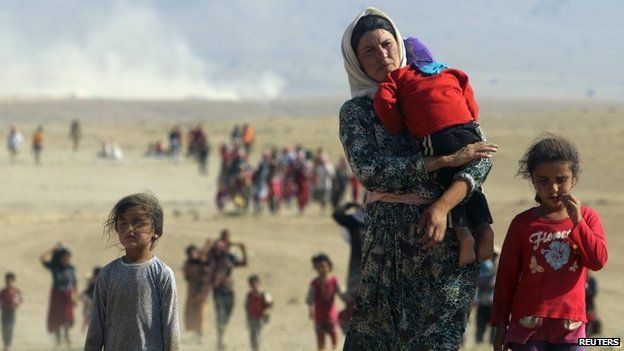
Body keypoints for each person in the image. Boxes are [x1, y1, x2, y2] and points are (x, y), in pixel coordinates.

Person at [339, 8, 498, 350]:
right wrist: (440, 161)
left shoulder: (435, 86)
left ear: (398, 44)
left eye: (386, 44)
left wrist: (442, 206)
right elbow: (370, 170)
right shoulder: (357, 112)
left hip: (448, 246)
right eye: (369, 50)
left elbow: (479, 156)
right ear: (356, 61)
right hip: (389, 252)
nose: (382, 55)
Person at [374, 36, 494, 266]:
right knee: (471, 184)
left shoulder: (399, 76)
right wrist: (469, 123)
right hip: (468, 130)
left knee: (446, 181)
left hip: (437, 135)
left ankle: (464, 235)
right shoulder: (451, 72)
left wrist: (397, 125)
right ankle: (484, 227)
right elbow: (470, 98)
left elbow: (384, 100)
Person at [491, 135, 608, 351]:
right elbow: (506, 277)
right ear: (533, 180)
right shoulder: (523, 223)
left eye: (561, 179)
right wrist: (500, 326)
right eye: (543, 180)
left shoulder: (588, 218)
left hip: (570, 327)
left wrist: (577, 222)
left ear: (573, 179)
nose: (553, 188)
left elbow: (597, 260)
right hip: (526, 327)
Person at [84, 193, 181, 351]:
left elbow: (171, 328)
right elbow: (96, 327)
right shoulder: (107, 274)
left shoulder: (162, 274)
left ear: (155, 230)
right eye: (123, 224)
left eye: (138, 222)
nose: (129, 229)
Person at [207, 229, 248, 350]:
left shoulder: (229, 257)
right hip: (218, 290)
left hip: (229, 289)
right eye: (224, 238)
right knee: (220, 315)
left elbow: (244, 263)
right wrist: (208, 244)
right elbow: (203, 257)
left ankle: (221, 337)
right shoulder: (215, 254)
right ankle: (220, 340)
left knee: (227, 314)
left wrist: (243, 249)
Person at [331, 202, 365, 333]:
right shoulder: (355, 221)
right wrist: (349, 205)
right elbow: (337, 214)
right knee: (353, 300)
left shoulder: (381, 218)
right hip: (357, 268)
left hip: (378, 267)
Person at [40, 244, 77, 349]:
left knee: (66, 318)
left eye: (67, 257)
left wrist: (74, 296)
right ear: (60, 258)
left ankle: (66, 337)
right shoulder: (55, 267)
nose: (66, 259)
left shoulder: (71, 269)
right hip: (56, 296)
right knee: (56, 318)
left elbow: (74, 283)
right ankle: (58, 341)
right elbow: (41, 258)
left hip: (67, 295)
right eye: (64, 257)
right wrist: (52, 249)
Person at [306, 254, 346, 351]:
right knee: (320, 342)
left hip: (331, 317)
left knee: (334, 339)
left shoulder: (334, 281)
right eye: (318, 267)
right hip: (319, 316)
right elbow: (310, 298)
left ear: (329, 266)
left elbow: (342, 294)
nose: (321, 269)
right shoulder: (314, 283)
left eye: (323, 266)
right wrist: (310, 309)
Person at [182, 244, 209, 344]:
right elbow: (187, 277)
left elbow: (206, 276)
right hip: (192, 291)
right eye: (190, 253)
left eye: (194, 252)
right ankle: (195, 334)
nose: (192, 255)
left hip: (201, 291)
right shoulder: (188, 264)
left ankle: (200, 335)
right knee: (192, 312)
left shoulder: (203, 263)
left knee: (200, 313)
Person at [474, 250, 499, 345]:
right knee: (480, 327)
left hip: (493, 304)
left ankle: (490, 345)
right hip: (483, 303)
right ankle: (478, 345)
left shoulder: (497, 268)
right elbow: (480, 282)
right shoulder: (485, 267)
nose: (494, 258)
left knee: (494, 329)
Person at [245, 274, 273, 351]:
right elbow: (247, 306)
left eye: (255, 283)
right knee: (252, 335)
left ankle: (257, 349)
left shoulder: (264, 294)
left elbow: (270, 305)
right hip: (251, 318)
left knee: (258, 335)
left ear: (258, 283)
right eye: (251, 284)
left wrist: (267, 314)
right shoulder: (249, 295)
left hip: (260, 318)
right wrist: (247, 318)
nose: (253, 286)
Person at [0, 272, 23, 351]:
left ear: (14, 281)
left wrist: (16, 304)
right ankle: (5, 343)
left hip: (12, 312)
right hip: (4, 312)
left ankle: (8, 344)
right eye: (7, 281)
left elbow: (19, 300)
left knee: (10, 327)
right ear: (5, 281)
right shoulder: (3, 291)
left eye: (11, 281)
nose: (9, 283)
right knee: (4, 328)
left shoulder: (16, 291)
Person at [79, 267, 100, 333]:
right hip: (90, 305)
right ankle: (85, 331)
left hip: (96, 305)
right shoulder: (92, 284)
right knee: (87, 318)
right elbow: (84, 294)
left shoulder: (101, 284)